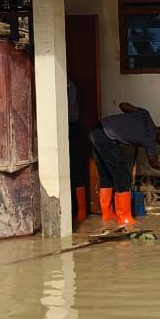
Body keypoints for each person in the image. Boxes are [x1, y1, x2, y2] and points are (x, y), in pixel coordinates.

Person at [90, 103, 160, 227]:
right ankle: (124, 218)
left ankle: (107, 215)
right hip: (107, 137)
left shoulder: (144, 114)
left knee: (106, 176)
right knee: (123, 177)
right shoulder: (150, 141)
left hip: (96, 130)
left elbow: (122, 105)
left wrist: (131, 124)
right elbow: (155, 164)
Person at [67, 78, 90, 227]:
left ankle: (81, 213)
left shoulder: (68, 84)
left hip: (71, 127)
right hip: (67, 126)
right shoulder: (68, 83)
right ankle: (78, 212)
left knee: (76, 170)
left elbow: (67, 109)